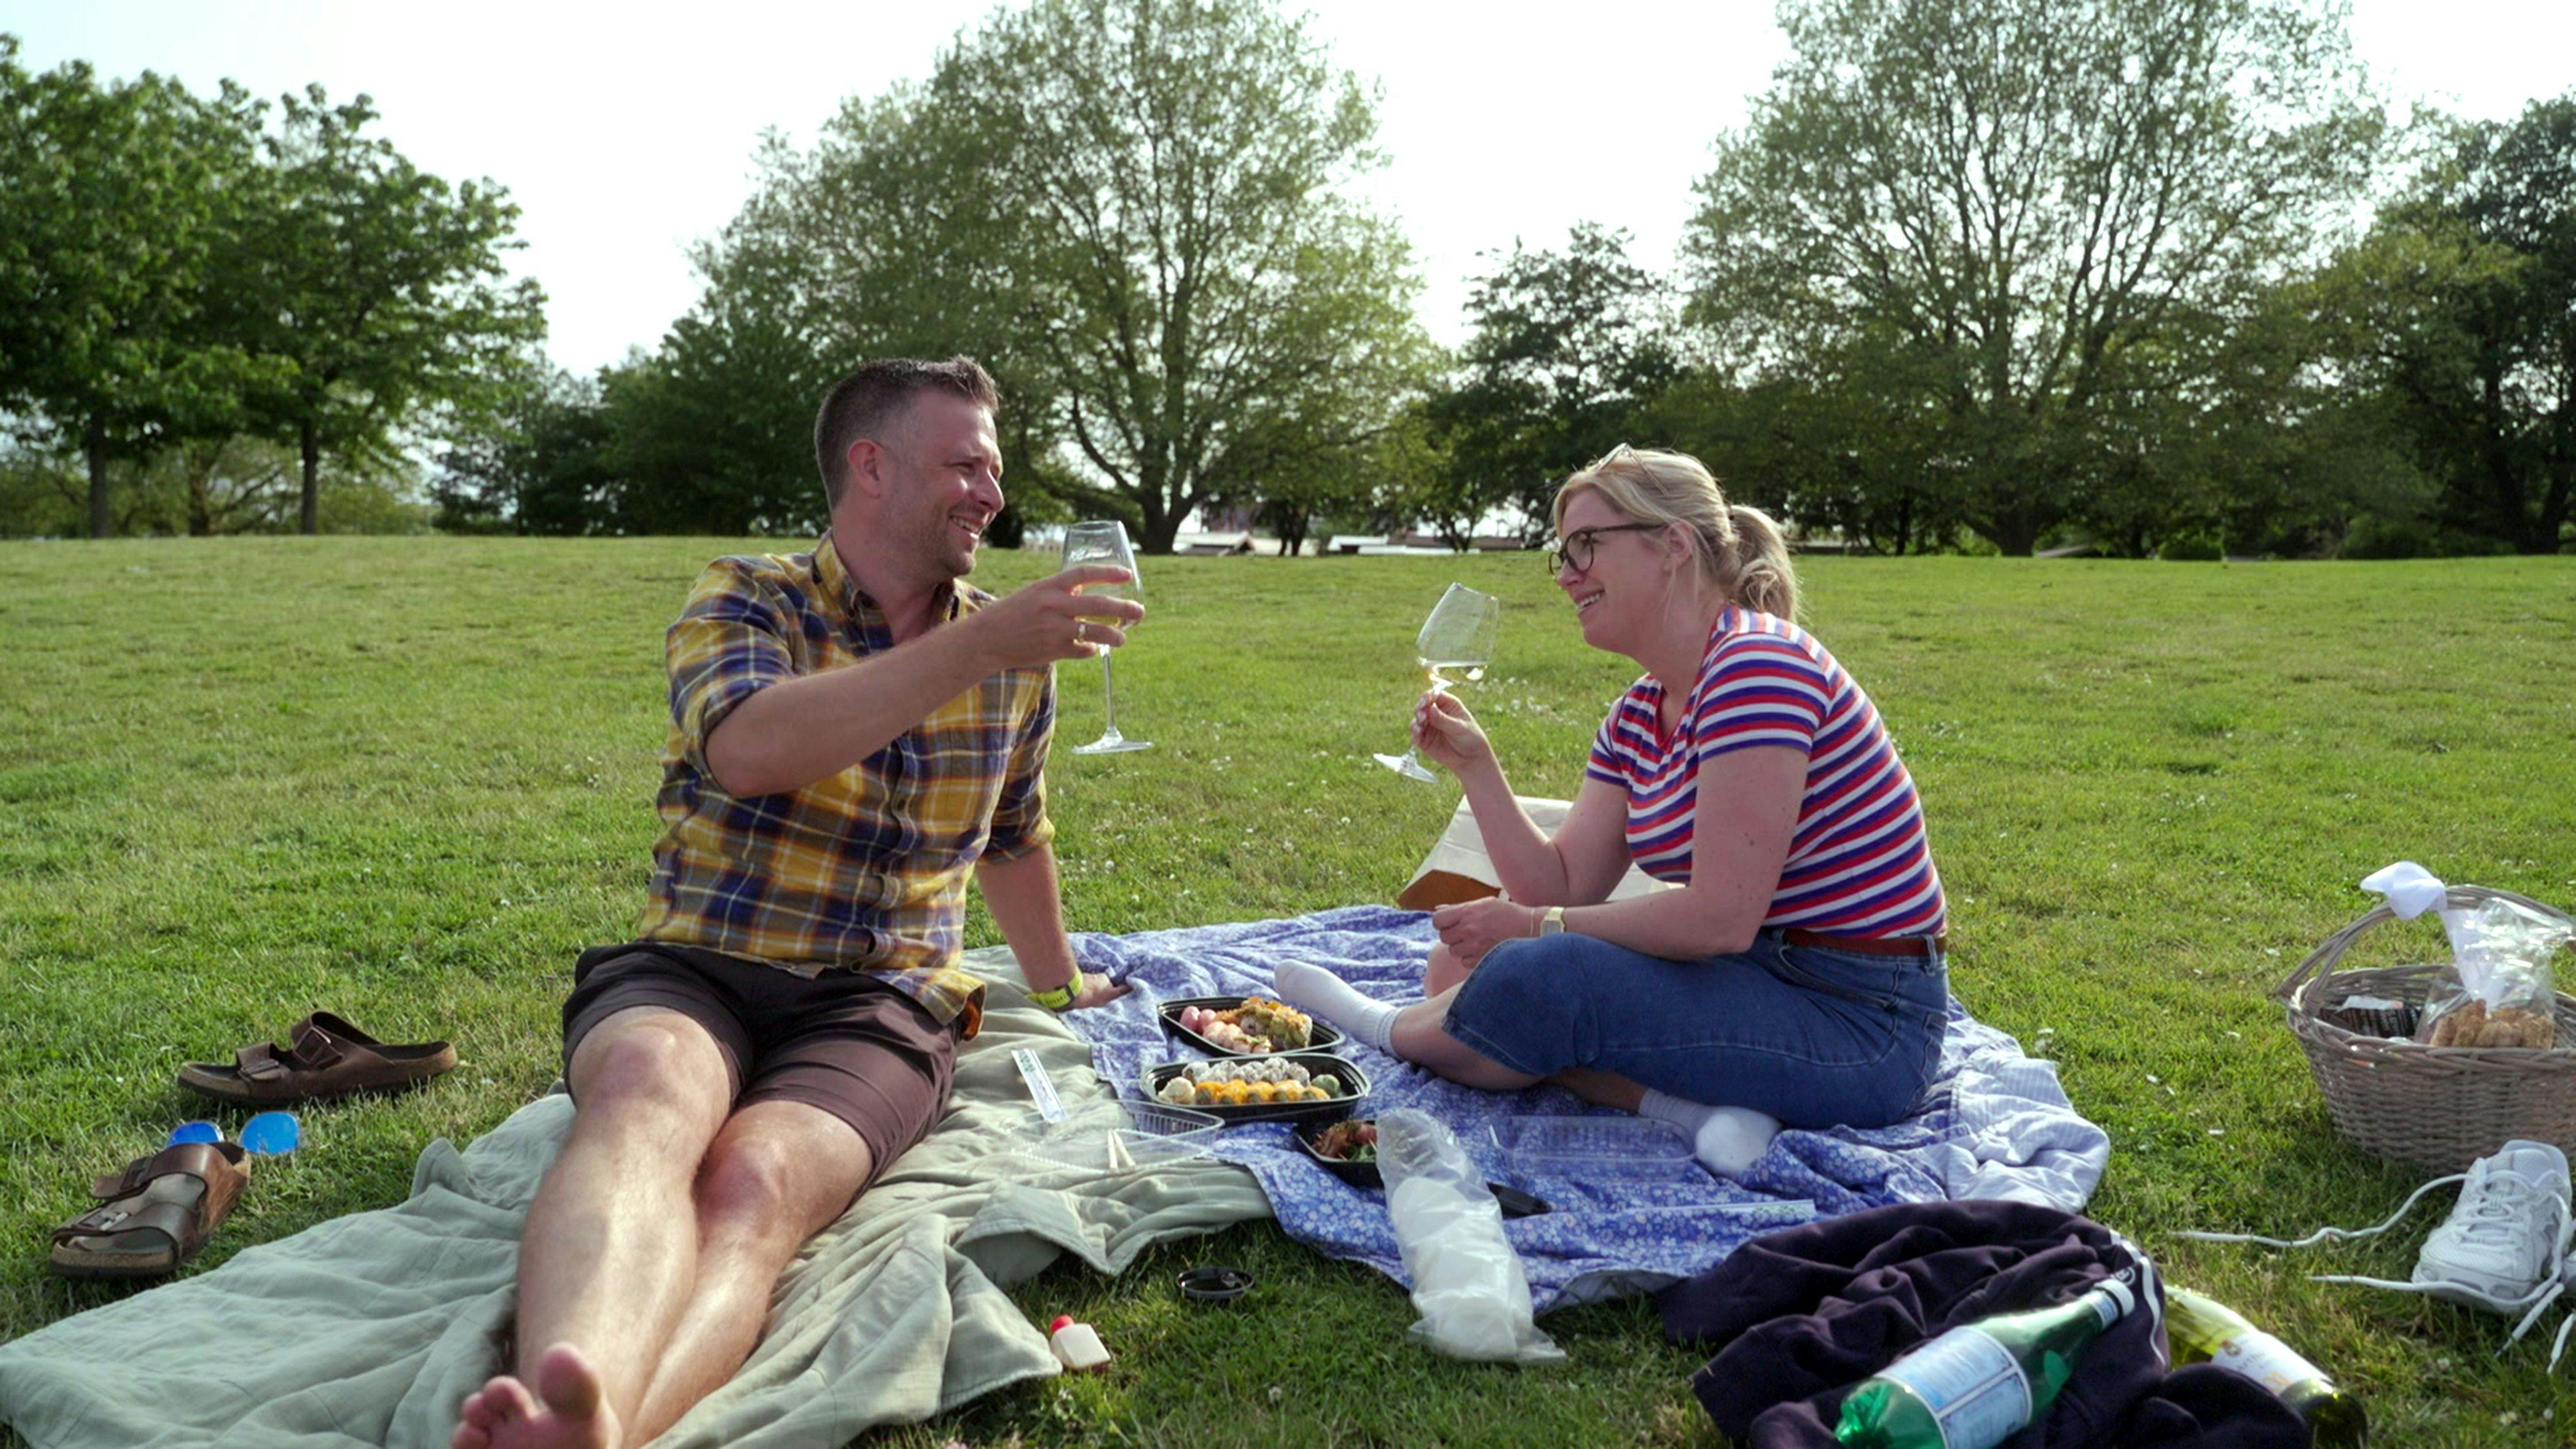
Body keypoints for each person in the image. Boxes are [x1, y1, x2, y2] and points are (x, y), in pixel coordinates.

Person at [453, 357, 1141, 1449]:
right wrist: (977, 643)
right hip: (703, 960)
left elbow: (1014, 835)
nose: (991, 492)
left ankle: (592, 1430)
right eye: (963, 463)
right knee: (648, 1093)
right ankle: (564, 1397)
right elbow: (750, 747)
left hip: (881, 1001)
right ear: (870, 466)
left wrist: (1058, 979)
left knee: (754, 1181)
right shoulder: (746, 594)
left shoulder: (1014, 656)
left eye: (993, 468)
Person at [1279, 445, 1949, 1175]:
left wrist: (1534, 930)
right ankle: (1690, 1108)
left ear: (1672, 546)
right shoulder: (1640, 709)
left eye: (1586, 546)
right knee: (1456, 969)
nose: (1566, 575)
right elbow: (1561, 884)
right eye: (1561, 554)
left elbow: (1717, 917)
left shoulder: (1758, 667)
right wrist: (1475, 767)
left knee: (1532, 979)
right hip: (1759, 981)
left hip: (1860, 1023)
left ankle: (1373, 1027)